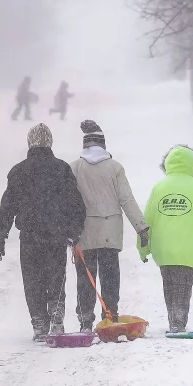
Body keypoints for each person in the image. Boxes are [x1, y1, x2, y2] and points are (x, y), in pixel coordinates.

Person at [0, 123, 86, 340]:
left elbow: (8, 205)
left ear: (30, 143)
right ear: (50, 143)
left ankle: (39, 323)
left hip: (30, 236)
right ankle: (56, 315)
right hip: (56, 235)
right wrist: (74, 231)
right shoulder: (61, 169)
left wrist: (1, 233)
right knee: (56, 276)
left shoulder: (19, 171)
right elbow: (76, 204)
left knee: (33, 280)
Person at [70, 120, 149, 332]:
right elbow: (127, 199)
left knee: (86, 277)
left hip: (84, 232)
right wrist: (141, 227)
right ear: (103, 144)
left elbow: (68, 201)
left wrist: (68, 230)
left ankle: (86, 319)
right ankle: (110, 314)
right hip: (110, 232)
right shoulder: (115, 168)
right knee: (110, 274)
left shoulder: (75, 168)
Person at [138, 144, 193, 334]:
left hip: (163, 249)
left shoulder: (159, 187)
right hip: (188, 249)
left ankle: (173, 322)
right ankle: (179, 322)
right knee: (183, 287)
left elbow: (147, 220)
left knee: (168, 286)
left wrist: (143, 248)